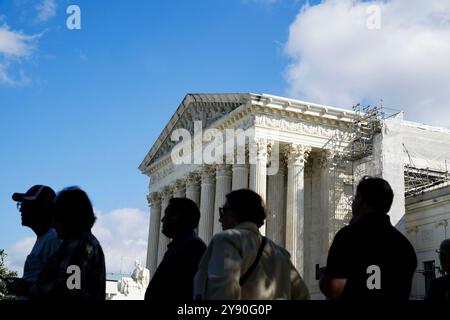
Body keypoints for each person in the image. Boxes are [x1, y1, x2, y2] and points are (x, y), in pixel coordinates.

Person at [194, 189, 310, 300]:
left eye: (223, 211)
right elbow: (303, 295)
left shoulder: (226, 239)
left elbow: (223, 292)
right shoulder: (281, 253)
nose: (220, 219)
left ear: (236, 213)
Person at [320, 176, 417, 300]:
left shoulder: (348, 236)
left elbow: (333, 289)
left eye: (355, 198)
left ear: (360, 200)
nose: (352, 204)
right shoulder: (405, 246)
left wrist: (322, 275)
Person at [15, 186, 106, 300]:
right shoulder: (82, 244)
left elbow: (69, 292)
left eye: (57, 217)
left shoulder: (80, 248)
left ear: (70, 218)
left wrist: (27, 288)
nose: (53, 224)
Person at [145, 197, 206, 302]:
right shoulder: (180, 246)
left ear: (176, 217)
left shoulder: (192, 247)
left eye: (166, 214)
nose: (162, 219)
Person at [8, 185, 62, 300]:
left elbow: (66, 288)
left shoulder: (53, 239)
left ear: (44, 207)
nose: (21, 209)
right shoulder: (46, 239)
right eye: (21, 205)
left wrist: (25, 288)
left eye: (26, 204)